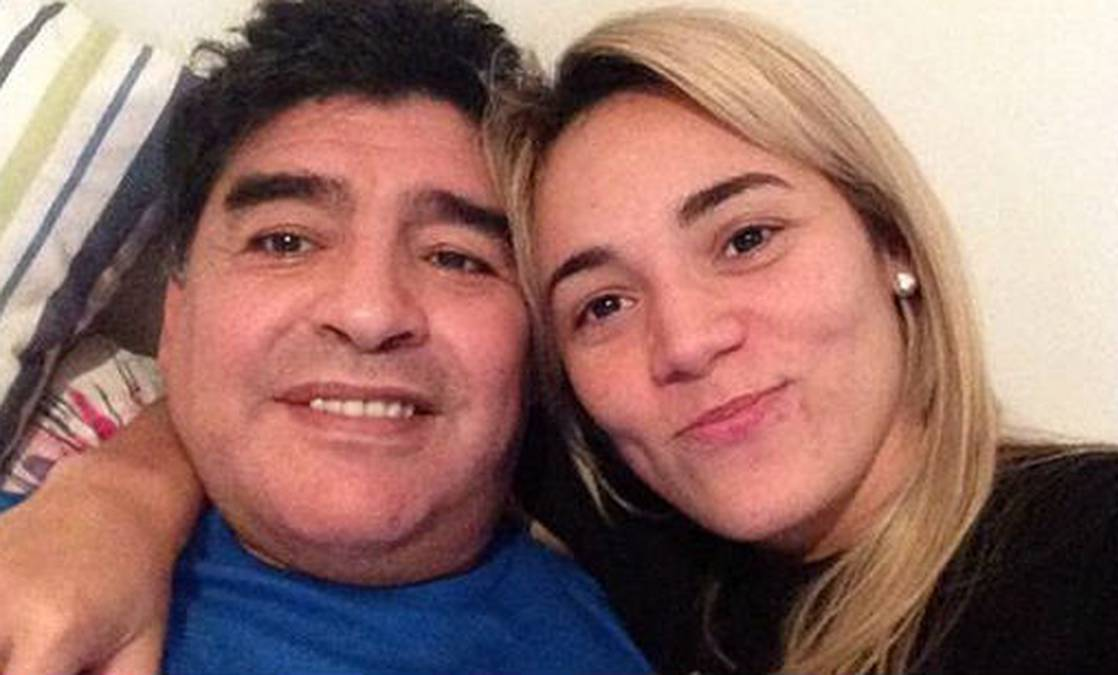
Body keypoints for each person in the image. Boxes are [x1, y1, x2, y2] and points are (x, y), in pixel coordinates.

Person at [2, 6, 1118, 675]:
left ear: (893, 242)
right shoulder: (654, 527)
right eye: (603, 304)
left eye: (744, 239)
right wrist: (108, 497)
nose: (687, 341)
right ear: (177, 315)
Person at [0, 1, 654, 673]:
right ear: (176, 316)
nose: (369, 314)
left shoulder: (636, 628)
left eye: (456, 258)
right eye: (284, 242)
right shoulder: (27, 568)